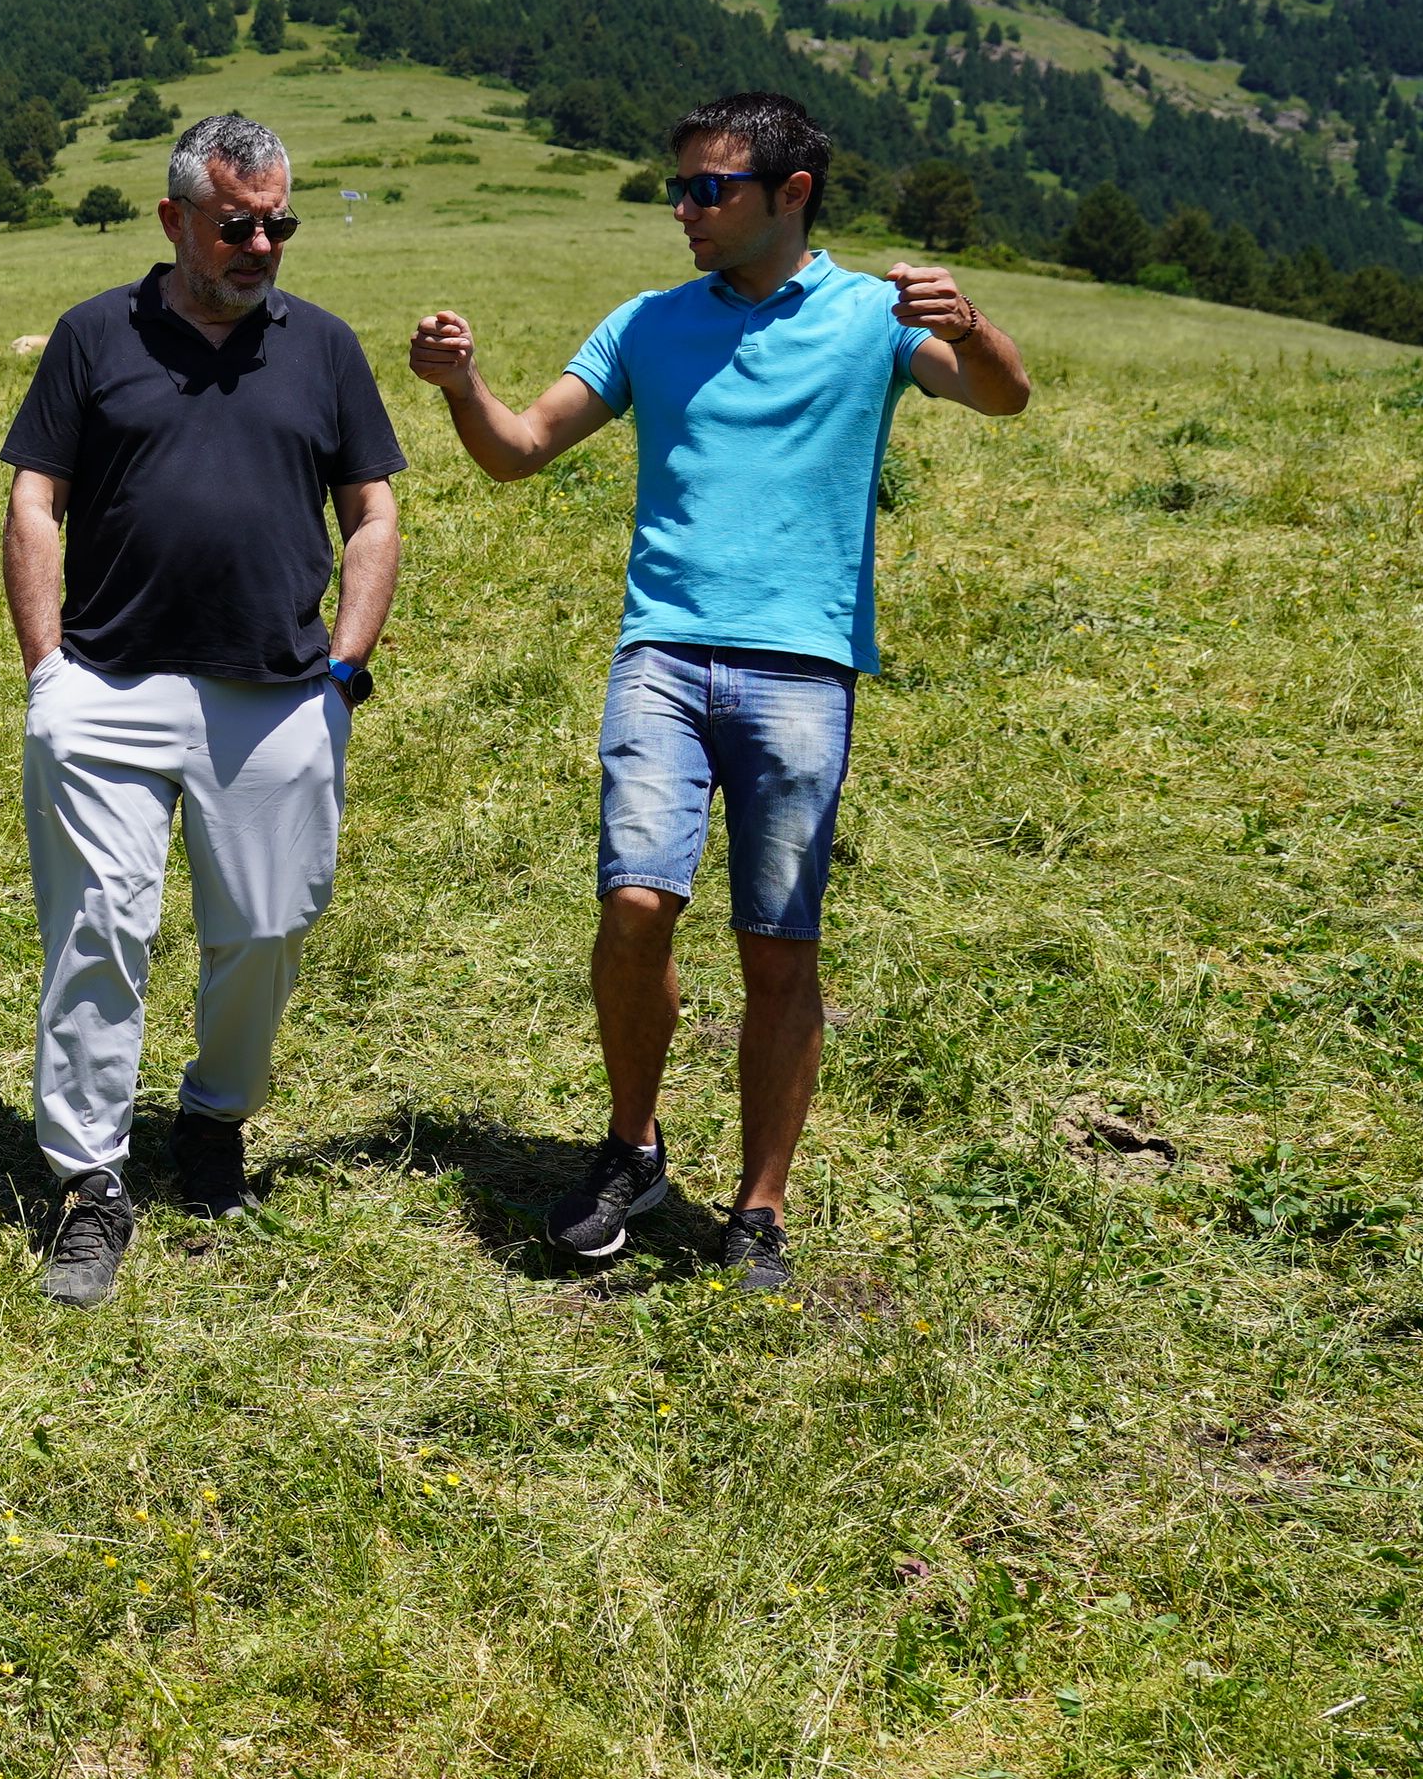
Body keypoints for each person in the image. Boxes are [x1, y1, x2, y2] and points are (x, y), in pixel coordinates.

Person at [408, 90, 1031, 1292]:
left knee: (777, 947)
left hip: (803, 665)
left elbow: (999, 395)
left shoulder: (871, 317)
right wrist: (458, 384)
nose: (685, 209)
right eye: (679, 187)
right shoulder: (649, 323)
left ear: (791, 195)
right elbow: (521, 448)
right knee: (636, 907)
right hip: (664, 652)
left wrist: (978, 323)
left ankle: (758, 1206)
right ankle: (632, 1146)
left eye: (711, 189)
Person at [2, 114, 403, 1306]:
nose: (264, 242)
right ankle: (88, 1184)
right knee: (99, 932)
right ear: (176, 217)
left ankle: (216, 1112)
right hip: (109, 687)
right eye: (239, 223)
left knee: (271, 925)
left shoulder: (324, 347)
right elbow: (36, 501)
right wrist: (47, 674)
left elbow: (372, 514)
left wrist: (344, 663)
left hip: (279, 693)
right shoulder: (91, 336)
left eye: (280, 221)